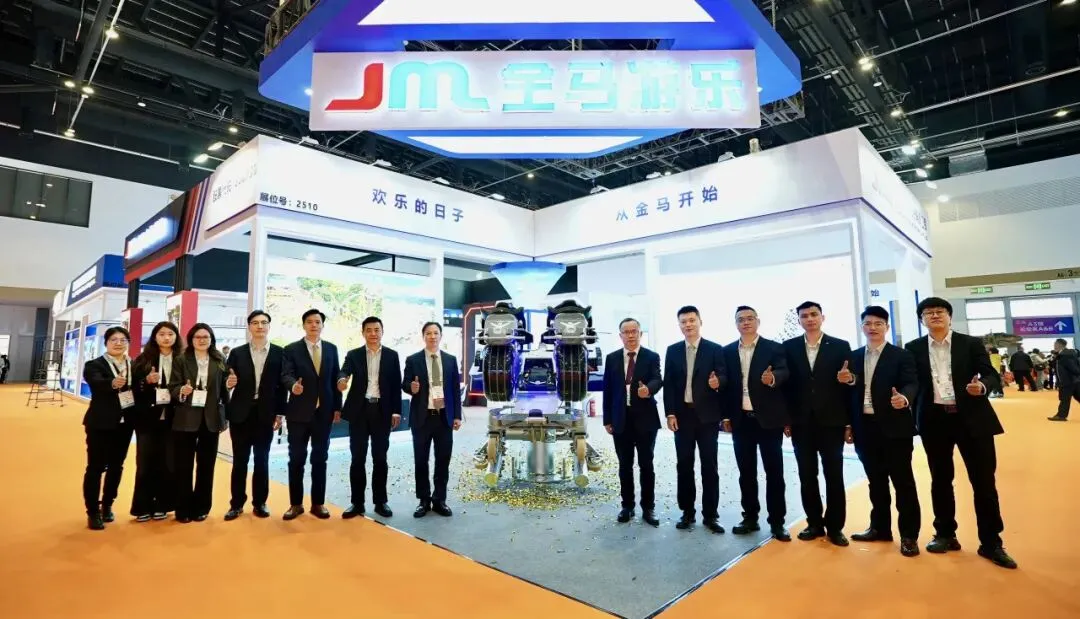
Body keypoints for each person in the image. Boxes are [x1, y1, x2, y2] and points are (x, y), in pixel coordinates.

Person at [905, 297, 1017, 569]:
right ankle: (945, 534)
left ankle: (991, 543)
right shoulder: (913, 348)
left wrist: (983, 386)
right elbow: (911, 382)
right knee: (941, 480)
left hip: (972, 419)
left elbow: (990, 374)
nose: (934, 316)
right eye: (928, 313)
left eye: (939, 311)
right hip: (934, 420)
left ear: (949, 316)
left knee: (984, 482)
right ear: (922, 319)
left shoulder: (970, 343)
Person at [846, 306, 921, 557]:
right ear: (862, 327)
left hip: (895, 428)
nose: (873, 327)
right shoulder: (853, 357)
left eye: (878, 323)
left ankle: (909, 535)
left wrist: (904, 398)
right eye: (868, 323)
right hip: (864, 427)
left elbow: (911, 383)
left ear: (886, 327)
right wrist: (849, 424)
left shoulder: (901, 355)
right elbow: (849, 392)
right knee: (876, 482)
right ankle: (880, 528)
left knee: (903, 483)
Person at [782, 301, 853, 546]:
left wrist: (848, 422)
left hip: (832, 421)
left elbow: (849, 386)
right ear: (799, 320)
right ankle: (814, 523)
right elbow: (786, 388)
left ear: (823, 317)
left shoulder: (840, 346)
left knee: (834, 475)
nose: (810, 319)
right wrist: (786, 419)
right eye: (804, 316)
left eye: (814, 314)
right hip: (801, 422)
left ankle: (835, 527)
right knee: (807, 474)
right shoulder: (789, 347)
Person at [723, 305, 791, 541]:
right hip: (741, 420)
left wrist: (773, 378)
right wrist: (726, 417)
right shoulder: (727, 351)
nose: (746, 322)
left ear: (758, 321)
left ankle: (777, 522)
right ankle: (750, 517)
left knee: (774, 472)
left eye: (750, 318)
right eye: (741, 319)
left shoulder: (773, 348)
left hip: (769, 420)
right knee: (746, 473)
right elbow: (726, 386)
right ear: (736, 324)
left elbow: (784, 373)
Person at [663, 306, 727, 533]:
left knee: (709, 466)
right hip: (682, 417)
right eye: (683, 321)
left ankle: (711, 515)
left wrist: (718, 382)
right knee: (684, 465)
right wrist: (670, 413)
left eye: (692, 320)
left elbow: (724, 376)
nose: (688, 325)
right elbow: (669, 384)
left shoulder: (714, 349)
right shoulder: (673, 351)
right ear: (679, 325)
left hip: (707, 417)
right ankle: (687, 512)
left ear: (700, 322)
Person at [224, 310, 287, 521]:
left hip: (265, 414)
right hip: (240, 414)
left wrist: (280, 413)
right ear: (249, 326)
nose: (260, 326)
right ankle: (236, 504)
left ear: (269, 326)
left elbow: (282, 387)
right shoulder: (237, 353)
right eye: (255, 323)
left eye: (264, 322)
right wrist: (228, 383)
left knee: (262, 460)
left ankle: (260, 503)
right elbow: (226, 380)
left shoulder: (280, 353)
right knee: (239, 461)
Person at [338, 316, 402, 519]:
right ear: (363, 332)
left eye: (376, 330)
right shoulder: (354, 354)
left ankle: (380, 502)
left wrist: (396, 411)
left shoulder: (392, 355)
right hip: (359, 410)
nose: (373, 333)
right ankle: (357, 503)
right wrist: (342, 379)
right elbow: (344, 371)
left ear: (382, 332)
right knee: (357, 458)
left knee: (380, 458)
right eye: (369, 330)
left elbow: (396, 385)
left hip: (382, 411)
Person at [281, 309, 342, 520]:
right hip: (298, 413)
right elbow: (286, 375)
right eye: (309, 322)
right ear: (304, 325)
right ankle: (295, 504)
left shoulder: (332, 349)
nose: (314, 325)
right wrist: (293, 386)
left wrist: (337, 407)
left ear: (322, 325)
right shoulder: (291, 349)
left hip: (324, 413)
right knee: (296, 459)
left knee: (320, 458)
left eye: (317, 322)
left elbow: (336, 379)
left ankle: (318, 503)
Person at [603, 317, 663, 527]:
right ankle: (627, 506)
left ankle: (648, 507)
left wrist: (649, 390)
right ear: (620, 336)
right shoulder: (612, 358)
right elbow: (608, 390)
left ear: (640, 333)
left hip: (646, 420)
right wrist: (607, 419)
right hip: (621, 420)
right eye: (626, 332)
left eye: (634, 331)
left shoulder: (651, 356)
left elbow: (657, 379)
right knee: (625, 465)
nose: (630, 336)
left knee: (646, 465)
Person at [169, 323, 230, 523]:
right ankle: (183, 509)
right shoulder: (181, 359)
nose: (202, 340)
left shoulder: (220, 360)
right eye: (198, 337)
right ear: (191, 339)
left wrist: (226, 415)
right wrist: (181, 391)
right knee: (183, 466)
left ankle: (201, 507)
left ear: (211, 339)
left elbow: (224, 390)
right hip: (185, 418)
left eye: (206, 337)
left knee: (206, 466)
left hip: (210, 419)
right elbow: (173, 386)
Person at [403, 321, 462, 518]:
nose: (432, 336)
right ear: (423, 337)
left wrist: (457, 415)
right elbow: (405, 383)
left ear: (440, 336)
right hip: (422, 418)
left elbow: (455, 389)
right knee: (421, 461)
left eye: (436, 333)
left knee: (443, 460)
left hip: (444, 417)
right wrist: (411, 388)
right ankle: (423, 500)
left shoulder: (450, 360)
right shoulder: (413, 360)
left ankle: (439, 500)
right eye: (428, 333)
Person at [81, 326, 135, 530]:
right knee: (95, 467)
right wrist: (112, 383)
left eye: (123, 340)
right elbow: (96, 382)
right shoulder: (94, 365)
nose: (118, 343)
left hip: (125, 424)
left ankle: (107, 505)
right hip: (100, 423)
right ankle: (92, 511)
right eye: (114, 339)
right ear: (106, 343)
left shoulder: (134, 365)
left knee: (116, 466)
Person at [130, 321, 181, 522]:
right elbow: (132, 387)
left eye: (170, 334)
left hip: (173, 419)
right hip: (147, 418)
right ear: (155, 337)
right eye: (162, 334)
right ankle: (142, 506)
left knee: (168, 463)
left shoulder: (182, 359)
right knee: (145, 463)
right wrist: (146, 381)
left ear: (176, 337)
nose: (166, 338)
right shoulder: (143, 359)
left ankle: (163, 504)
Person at [1048, 338, 1080, 422]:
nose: (1054, 346)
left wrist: (1077, 374)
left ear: (1059, 345)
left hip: (1068, 381)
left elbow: (1073, 368)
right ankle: (1061, 415)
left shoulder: (1065, 354)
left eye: (1055, 344)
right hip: (1072, 380)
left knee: (1064, 399)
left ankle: (1061, 416)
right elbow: (1055, 365)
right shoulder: (1062, 354)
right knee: (1075, 397)